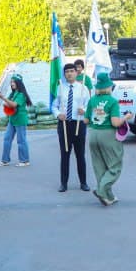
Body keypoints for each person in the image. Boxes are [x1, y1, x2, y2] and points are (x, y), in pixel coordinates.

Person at [86, 74, 132, 206]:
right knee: (115, 166)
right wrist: (126, 117)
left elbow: (86, 120)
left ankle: (108, 196)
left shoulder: (92, 100)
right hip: (107, 134)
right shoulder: (112, 101)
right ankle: (101, 190)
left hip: (93, 134)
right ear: (108, 87)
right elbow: (116, 123)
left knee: (99, 166)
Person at [54, 62, 90, 192]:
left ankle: (83, 182)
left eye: (72, 71)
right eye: (67, 71)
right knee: (65, 154)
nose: (69, 73)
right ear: (64, 74)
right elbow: (54, 106)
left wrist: (84, 110)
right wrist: (58, 114)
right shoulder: (60, 88)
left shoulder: (83, 88)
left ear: (76, 72)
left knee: (80, 155)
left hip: (79, 124)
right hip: (64, 124)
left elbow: (89, 105)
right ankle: (63, 183)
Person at [0, 73, 33, 167]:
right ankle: (5, 160)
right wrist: (7, 102)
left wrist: (4, 99)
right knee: (7, 139)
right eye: (11, 82)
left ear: (19, 83)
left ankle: (24, 161)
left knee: (21, 140)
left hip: (20, 120)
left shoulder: (21, 94)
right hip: (12, 120)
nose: (12, 83)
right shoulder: (12, 93)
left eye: (14, 82)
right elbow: (7, 104)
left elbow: (13, 105)